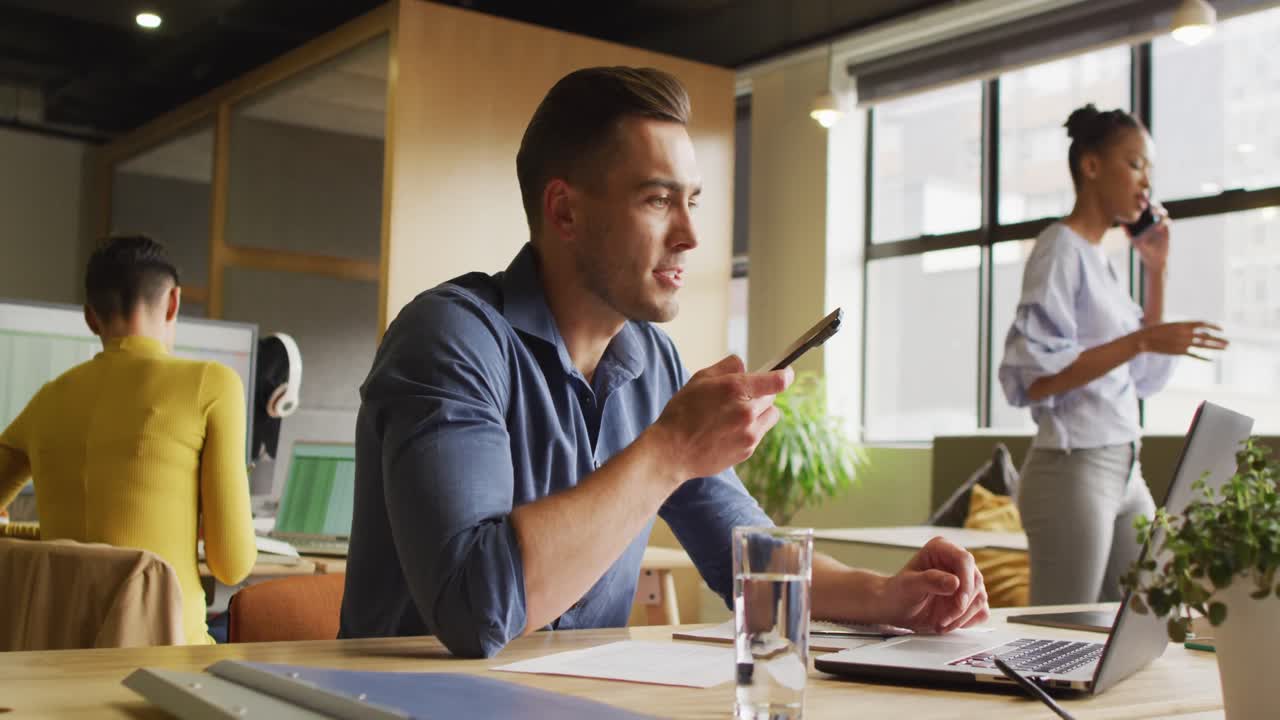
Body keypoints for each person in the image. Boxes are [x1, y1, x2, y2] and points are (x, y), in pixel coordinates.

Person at [338, 66, 988, 658]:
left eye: (693, 200)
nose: (692, 235)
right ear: (564, 209)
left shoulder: (651, 361)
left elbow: (747, 563)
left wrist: (889, 594)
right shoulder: (449, 338)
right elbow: (474, 611)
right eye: (656, 199)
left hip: (567, 701)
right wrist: (670, 448)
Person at [998, 105, 1229, 605]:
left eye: (1149, 169)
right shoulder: (1058, 248)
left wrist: (1156, 272)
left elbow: (1144, 380)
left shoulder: (1101, 261)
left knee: (1146, 614)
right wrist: (1141, 339)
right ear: (1092, 166)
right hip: (1073, 466)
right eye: (1135, 163)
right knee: (1063, 634)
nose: (1146, 181)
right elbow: (1033, 379)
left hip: (1125, 464)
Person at [0, 235, 257, 644]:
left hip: (59, 661)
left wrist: (44, 537)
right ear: (173, 302)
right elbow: (232, 565)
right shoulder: (213, 384)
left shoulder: (48, 399)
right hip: (171, 654)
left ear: (89, 317)